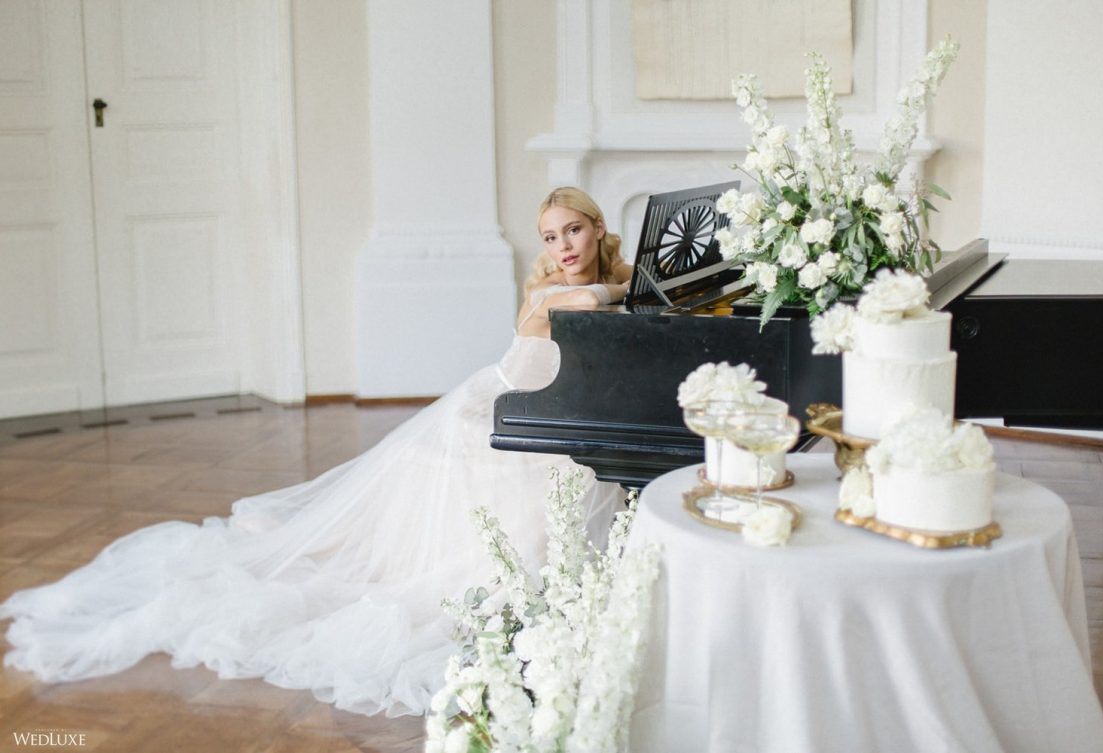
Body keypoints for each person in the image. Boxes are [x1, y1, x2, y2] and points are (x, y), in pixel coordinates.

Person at [0, 187, 630, 718]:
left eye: (573, 231)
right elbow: (586, 303)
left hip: (550, 408)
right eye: (550, 237)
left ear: (598, 228)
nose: (563, 247)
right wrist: (629, 289)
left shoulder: (610, 278)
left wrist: (640, 285)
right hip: (496, 405)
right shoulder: (548, 295)